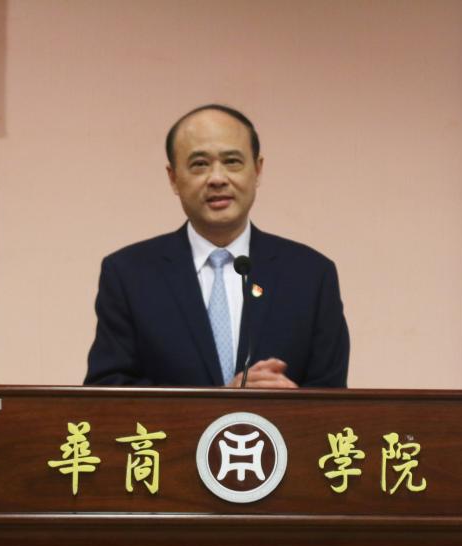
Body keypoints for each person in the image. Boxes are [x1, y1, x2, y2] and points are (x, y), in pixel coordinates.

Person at [85, 104, 349, 388]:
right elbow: (108, 391)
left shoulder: (310, 275)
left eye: (232, 161)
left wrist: (282, 404)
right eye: (199, 164)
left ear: (257, 170)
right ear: (173, 178)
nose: (217, 179)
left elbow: (333, 399)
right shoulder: (128, 274)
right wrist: (221, 401)